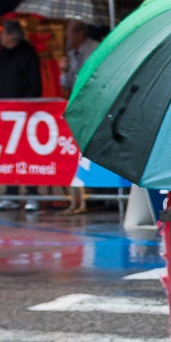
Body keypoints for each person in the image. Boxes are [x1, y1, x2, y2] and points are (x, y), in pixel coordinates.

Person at [0, 20, 42, 211]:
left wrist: (28, 106)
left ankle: (32, 195)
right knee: (9, 155)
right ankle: (11, 195)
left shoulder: (28, 55)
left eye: (3, 32)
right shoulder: (3, 56)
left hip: (24, 114)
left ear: (13, 35)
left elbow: (34, 84)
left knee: (26, 155)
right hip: (3, 115)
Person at [59, 21, 99, 214]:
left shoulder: (94, 48)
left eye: (70, 34)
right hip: (77, 106)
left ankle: (96, 195)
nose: (67, 39)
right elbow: (67, 85)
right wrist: (64, 71)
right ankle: (80, 198)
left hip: (92, 106)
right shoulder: (71, 54)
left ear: (80, 33)